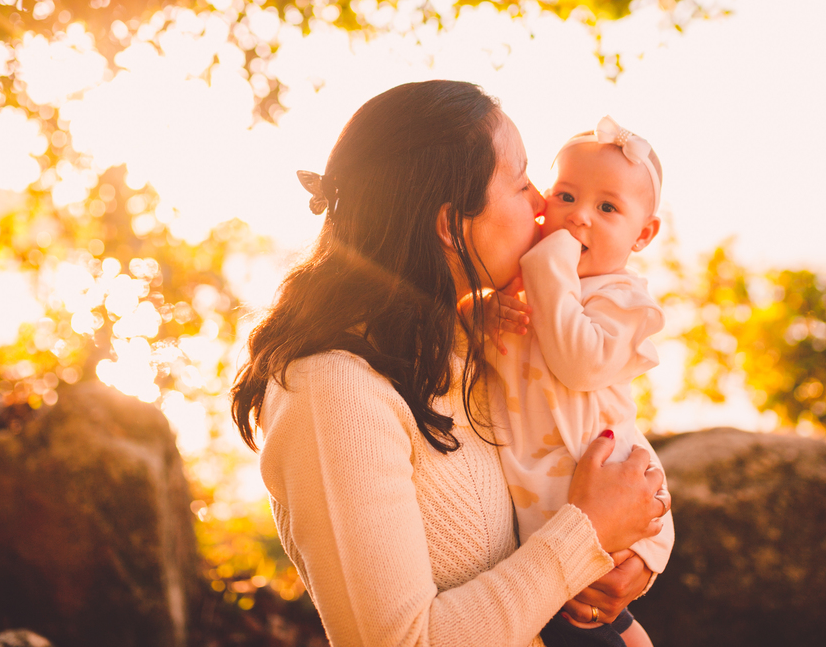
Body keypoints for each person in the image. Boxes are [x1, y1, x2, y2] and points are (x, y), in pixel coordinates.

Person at [230, 81, 672, 646]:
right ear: (450, 224)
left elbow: (577, 441)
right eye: (522, 183)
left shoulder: (463, 344)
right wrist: (584, 535)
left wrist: (631, 554)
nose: (545, 205)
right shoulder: (332, 393)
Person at [481, 117, 673, 647]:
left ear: (643, 234)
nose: (579, 216)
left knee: (602, 623)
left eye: (607, 208)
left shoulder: (623, 301)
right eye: (565, 196)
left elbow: (579, 362)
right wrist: (480, 310)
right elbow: (477, 348)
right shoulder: (522, 287)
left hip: (608, 496)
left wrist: (549, 262)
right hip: (539, 521)